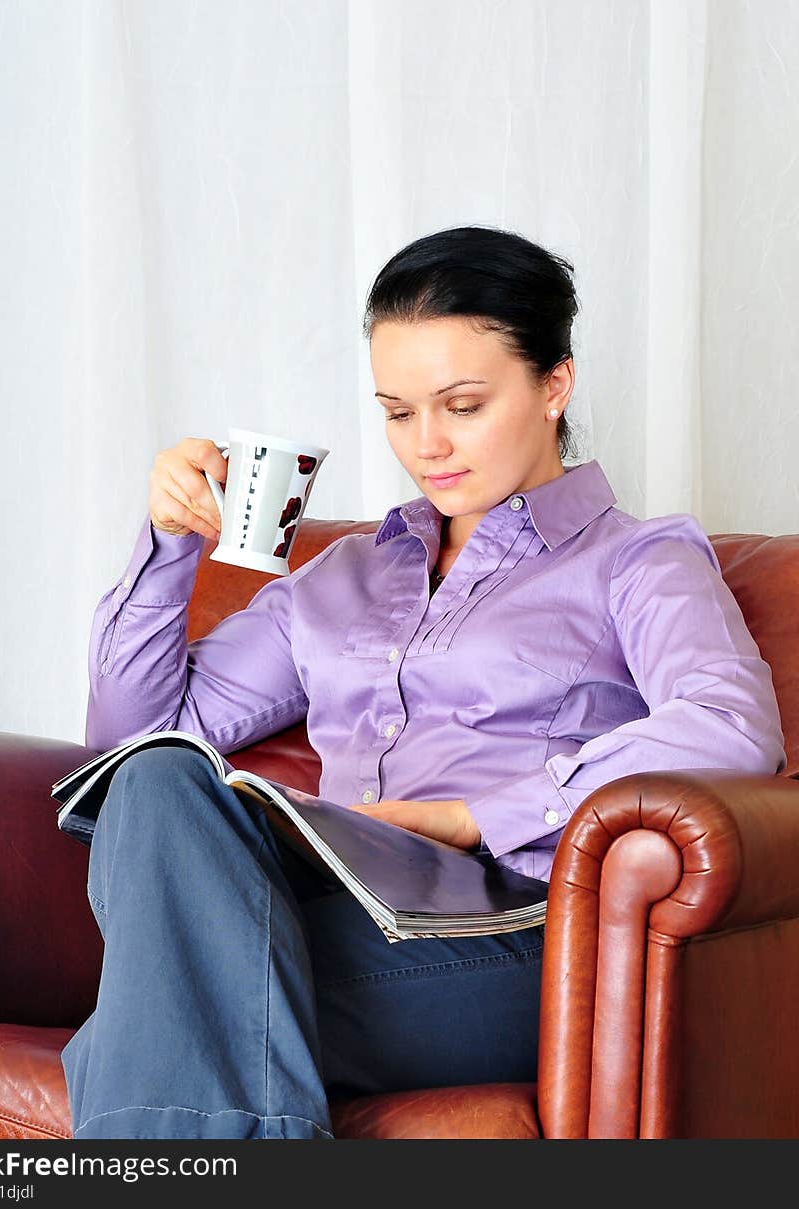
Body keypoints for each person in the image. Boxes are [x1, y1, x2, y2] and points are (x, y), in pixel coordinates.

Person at [61, 225, 786, 1139]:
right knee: (160, 780)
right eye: (399, 412)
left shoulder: (634, 559)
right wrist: (169, 542)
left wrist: (475, 814)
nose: (428, 444)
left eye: (464, 404)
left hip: (504, 940)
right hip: (320, 918)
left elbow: (731, 725)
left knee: (160, 1015)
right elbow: (132, 735)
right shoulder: (339, 579)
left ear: (555, 384)